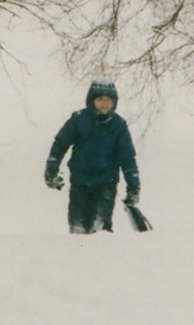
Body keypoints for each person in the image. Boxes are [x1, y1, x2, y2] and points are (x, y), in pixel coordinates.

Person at [44, 79, 140, 234]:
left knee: (100, 228)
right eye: (100, 99)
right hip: (80, 182)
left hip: (106, 184)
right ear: (91, 100)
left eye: (109, 100)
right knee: (78, 228)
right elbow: (60, 144)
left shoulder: (118, 125)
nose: (104, 104)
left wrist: (133, 187)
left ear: (114, 102)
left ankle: (100, 256)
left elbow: (127, 158)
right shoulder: (79, 119)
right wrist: (51, 170)